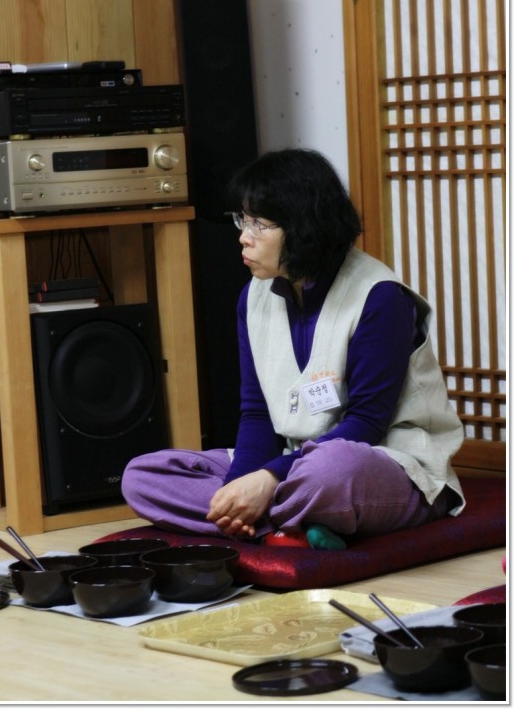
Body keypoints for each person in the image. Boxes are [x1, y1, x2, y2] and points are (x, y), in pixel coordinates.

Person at [122, 148, 465, 550]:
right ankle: (291, 524)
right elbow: (256, 412)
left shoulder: (380, 297)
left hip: (386, 461)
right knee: (142, 476)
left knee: (329, 471)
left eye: (258, 224)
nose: (243, 236)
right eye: (242, 219)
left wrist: (269, 478)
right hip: (292, 458)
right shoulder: (253, 296)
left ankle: (277, 518)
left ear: (303, 227)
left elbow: (367, 425)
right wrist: (241, 484)